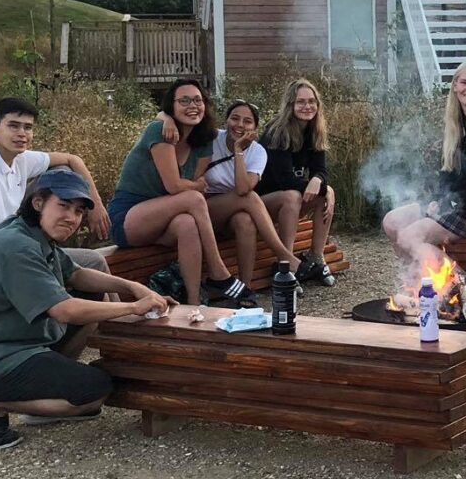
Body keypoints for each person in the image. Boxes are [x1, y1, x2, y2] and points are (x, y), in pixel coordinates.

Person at [0, 168, 170, 451]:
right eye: (63, 206)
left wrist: (134, 287)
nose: (71, 218)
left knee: (91, 294)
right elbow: (64, 311)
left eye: (78, 211)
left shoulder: (33, 233)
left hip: (16, 343)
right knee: (94, 393)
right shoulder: (15, 245)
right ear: (38, 203)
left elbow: (76, 274)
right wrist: (134, 307)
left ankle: (40, 391)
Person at [0, 96, 112, 292]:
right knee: (89, 268)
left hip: (19, 251)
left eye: (28, 127)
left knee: (95, 262)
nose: (22, 133)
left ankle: (126, 312)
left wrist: (95, 206)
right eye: (13, 126)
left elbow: (73, 160)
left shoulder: (21, 159)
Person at [108, 78, 253, 308]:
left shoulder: (203, 142)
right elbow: (175, 187)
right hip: (129, 217)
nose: (192, 105)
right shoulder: (159, 131)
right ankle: (218, 270)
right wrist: (196, 186)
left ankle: (194, 304)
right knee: (193, 198)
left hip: (165, 219)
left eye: (197, 100)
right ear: (172, 106)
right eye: (184, 101)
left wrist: (194, 185)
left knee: (187, 223)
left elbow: (191, 185)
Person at [382, 60, 466, 272]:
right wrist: (437, 199)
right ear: (455, 86)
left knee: (410, 236)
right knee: (392, 221)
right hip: (455, 205)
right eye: (464, 82)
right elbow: (448, 174)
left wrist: (453, 201)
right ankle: (419, 281)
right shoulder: (457, 124)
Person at [203, 99, 301, 285]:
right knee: (249, 197)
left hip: (237, 209)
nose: (240, 125)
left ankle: (245, 287)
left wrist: (238, 150)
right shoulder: (212, 138)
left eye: (247, 121)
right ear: (226, 121)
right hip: (208, 208)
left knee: (245, 220)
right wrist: (164, 119)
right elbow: (243, 191)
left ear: (255, 128)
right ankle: (283, 255)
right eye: (235, 118)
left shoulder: (258, 152)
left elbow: (242, 187)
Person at [259, 77, 339, 288]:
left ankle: (316, 257)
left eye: (311, 101)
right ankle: (285, 265)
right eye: (300, 102)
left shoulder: (314, 130)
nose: (307, 106)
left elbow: (321, 170)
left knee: (323, 197)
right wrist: (324, 188)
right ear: (290, 105)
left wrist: (321, 182)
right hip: (262, 202)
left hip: (290, 200)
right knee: (294, 195)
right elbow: (284, 180)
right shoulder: (277, 132)